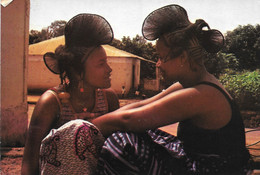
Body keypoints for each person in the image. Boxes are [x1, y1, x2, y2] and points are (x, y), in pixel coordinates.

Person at [90, 4, 253, 174]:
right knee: (136, 131)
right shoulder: (189, 85)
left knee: (121, 142)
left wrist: (84, 129)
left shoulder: (202, 95)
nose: (158, 64)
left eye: (162, 57)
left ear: (182, 57)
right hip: (200, 165)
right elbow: (140, 107)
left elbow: (129, 120)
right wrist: (92, 122)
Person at [21, 13, 119, 175]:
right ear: (78, 71)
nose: (109, 69)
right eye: (101, 64)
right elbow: (30, 162)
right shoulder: (51, 103)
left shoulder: (109, 99)